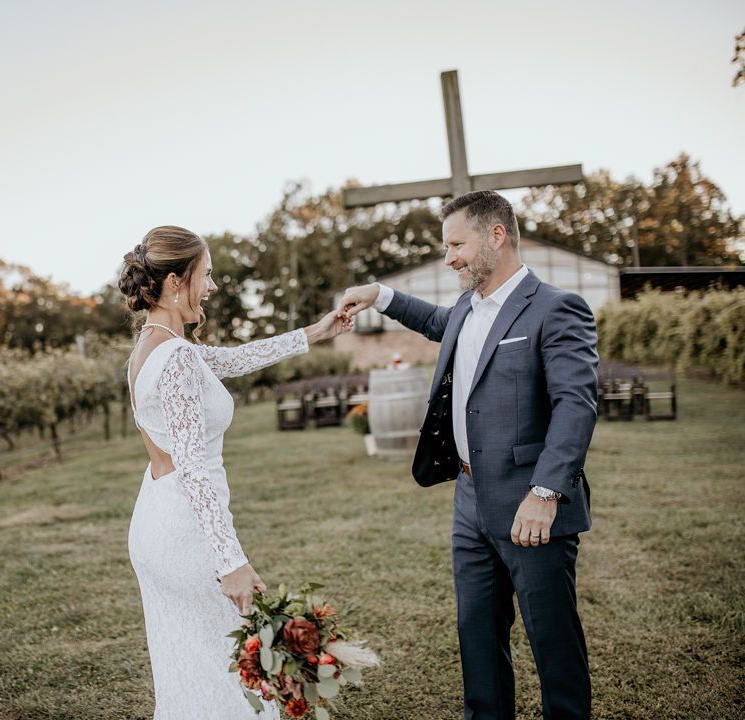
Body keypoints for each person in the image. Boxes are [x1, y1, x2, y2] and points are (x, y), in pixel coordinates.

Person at [339, 190, 598, 720]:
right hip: (470, 498)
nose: (450, 256)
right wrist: (379, 295)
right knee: (476, 633)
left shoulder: (556, 307)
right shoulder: (466, 307)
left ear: (495, 236)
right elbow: (434, 321)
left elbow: (576, 406)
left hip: (533, 506)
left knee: (552, 639)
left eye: (457, 244)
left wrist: (546, 492)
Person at [118, 225, 351, 719]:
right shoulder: (176, 356)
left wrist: (315, 332)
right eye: (208, 274)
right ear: (177, 281)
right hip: (184, 533)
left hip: (155, 522)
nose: (214, 286)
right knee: (226, 676)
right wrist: (231, 561)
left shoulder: (154, 347)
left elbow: (235, 358)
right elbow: (194, 471)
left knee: (196, 670)